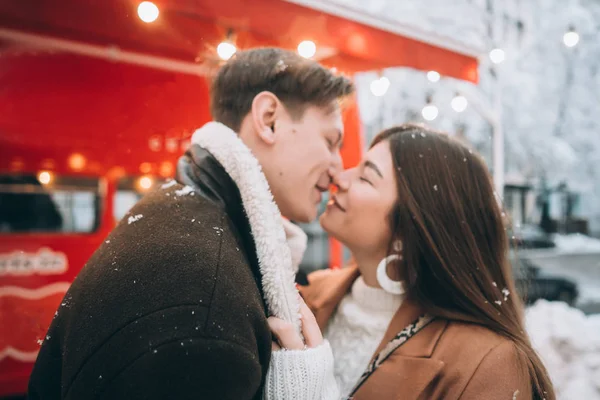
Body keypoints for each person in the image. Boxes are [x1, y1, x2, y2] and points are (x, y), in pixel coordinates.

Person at [27, 48, 354, 400]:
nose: (338, 170)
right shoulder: (203, 306)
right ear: (269, 118)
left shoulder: (187, 225)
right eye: (331, 141)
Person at [265, 124, 556, 400]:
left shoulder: (489, 364)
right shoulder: (310, 295)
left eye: (366, 177)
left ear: (410, 227)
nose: (339, 177)